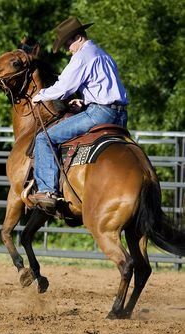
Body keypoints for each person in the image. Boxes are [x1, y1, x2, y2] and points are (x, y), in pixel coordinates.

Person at [28, 17, 128, 208]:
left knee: (43, 138)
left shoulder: (82, 56)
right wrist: (85, 101)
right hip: (121, 116)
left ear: (78, 37)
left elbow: (64, 87)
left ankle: (48, 190)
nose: (67, 48)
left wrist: (40, 95)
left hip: (100, 114)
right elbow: (105, 88)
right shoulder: (102, 54)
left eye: (67, 43)